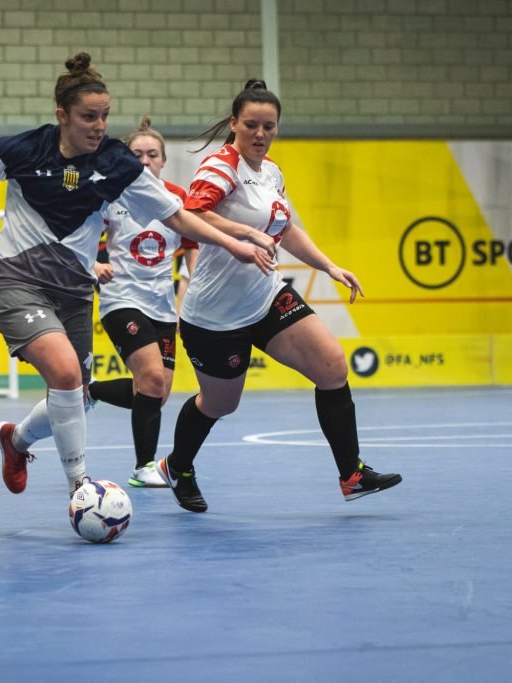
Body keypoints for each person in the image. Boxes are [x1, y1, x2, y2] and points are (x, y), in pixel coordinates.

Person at [0, 54, 275, 500]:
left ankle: (15, 441)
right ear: (62, 115)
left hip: (74, 294)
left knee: (77, 394)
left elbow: (177, 216)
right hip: (16, 282)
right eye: (88, 117)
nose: (99, 126)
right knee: (64, 373)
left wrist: (234, 243)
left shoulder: (117, 163)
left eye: (104, 116)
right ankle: (81, 489)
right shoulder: (20, 149)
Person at [157, 80, 402, 512]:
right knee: (220, 404)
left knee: (332, 365)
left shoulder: (271, 171)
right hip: (215, 317)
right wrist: (246, 233)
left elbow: (285, 229)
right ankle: (178, 467)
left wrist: (328, 265)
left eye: (269, 126)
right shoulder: (221, 167)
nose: (260, 133)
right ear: (234, 123)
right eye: (251, 124)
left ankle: (352, 474)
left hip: (266, 297)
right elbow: (193, 213)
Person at [88, 116, 201, 488]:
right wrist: (95, 263)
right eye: (136, 154)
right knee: (151, 378)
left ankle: (88, 390)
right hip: (121, 299)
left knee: (157, 392)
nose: (144, 161)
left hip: (163, 306)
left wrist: (186, 301)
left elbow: (191, 251)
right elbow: (81, 237)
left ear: (163, 161)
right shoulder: (110, 195)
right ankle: (144, 467)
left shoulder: (175, 198)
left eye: (152, 154)